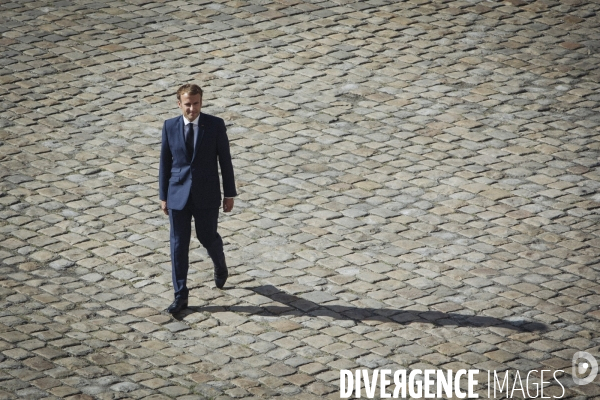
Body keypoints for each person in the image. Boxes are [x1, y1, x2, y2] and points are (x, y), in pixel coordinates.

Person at [159, 83, 237, 314]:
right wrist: (163, 195)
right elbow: (165, 162)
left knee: (207, 236)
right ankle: (180, 295)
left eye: (196, 104)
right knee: (178, 245)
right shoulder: (169, 126)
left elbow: (225, 161)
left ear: (201, 102)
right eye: (187, 104)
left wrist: (229, 193)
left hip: (207, 194)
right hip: (177, 194)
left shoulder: (214, 125)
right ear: (179, 104)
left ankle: (220, 264)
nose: (192, 109)